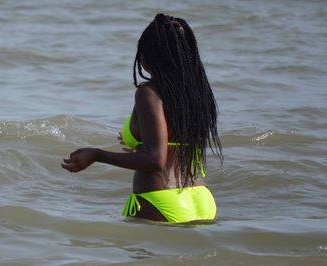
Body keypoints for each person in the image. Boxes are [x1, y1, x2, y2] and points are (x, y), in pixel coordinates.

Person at [61, 13, 223, 224]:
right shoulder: (197, 92)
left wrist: (96, 154)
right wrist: (140, 150)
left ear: (154, 55)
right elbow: (173, 147)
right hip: (202, 200)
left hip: (161, 201)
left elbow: (155, 161)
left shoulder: (149, 93)